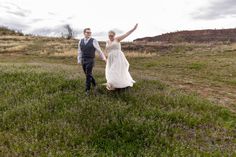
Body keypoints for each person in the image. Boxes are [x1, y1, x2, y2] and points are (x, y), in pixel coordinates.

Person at [105, 24, 138, 90]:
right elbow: (107, 50)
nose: (110, 36)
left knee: (113, 70)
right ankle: (115, 84)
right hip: (111, 58)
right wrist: (105, 57)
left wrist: (133, 29)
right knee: (110, 70)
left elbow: (126, 34)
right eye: (109, 35)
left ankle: (114, 84)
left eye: (112, 35)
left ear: (114, 35)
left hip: (118, 57)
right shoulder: (107, 41)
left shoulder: (117, 39)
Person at [78, 28, 107, 95]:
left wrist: (104, 58)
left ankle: (87, 90)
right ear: (84, 33)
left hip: (90, 60)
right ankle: (94, 84)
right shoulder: (80, 41)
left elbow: (99, 50)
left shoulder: (94, 41)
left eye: (90, 32)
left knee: (88, 75)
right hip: (83, 59)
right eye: (87, 32)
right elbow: (79, 51)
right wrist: (79, 59)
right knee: (87, 74)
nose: (89, 34)